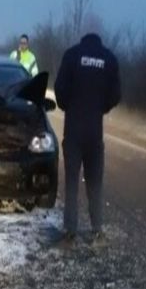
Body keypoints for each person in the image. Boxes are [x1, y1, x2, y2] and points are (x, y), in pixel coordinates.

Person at [53, 32, 121, 245]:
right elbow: (116, 93)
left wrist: (69, 106)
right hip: (94, 130)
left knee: (72, 181)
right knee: (95, 182)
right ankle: (97, 229)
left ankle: (70, 230)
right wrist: (101, 107)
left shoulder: (72, 55)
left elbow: (60, 89)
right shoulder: (109, 59)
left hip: (73, 129)